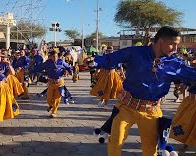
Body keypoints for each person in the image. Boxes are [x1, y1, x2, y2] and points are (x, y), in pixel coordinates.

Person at [93, 26, 196, 156]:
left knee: (150, 149)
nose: (175, 49)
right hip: (127, 107)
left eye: (177, 45)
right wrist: (95, 61)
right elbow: (111, 59)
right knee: (115, 140)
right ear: (160, 41)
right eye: (172, 44)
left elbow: (193, 74)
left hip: (151, 111)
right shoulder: (136, 53)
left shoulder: (174, 63)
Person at [32, 50, 73, 118]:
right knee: (49, 98)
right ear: (50, 57)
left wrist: (71, 72)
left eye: (56, 56)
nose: (55, 58)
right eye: (53, 56)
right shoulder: (47, 63)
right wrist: (31, 70)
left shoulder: (61, 62)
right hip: (51, 83)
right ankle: (51, 105)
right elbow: (39, 68)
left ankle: (54, 112)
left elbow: (68, 67)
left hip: (60, 83)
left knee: (57, 99)